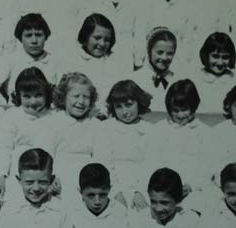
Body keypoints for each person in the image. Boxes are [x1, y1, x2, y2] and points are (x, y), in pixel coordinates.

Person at [0, 67, 55, 203]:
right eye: (27, 97)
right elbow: (3, 148)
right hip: (17, 172)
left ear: (46, 94)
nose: (33, 102)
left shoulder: (53, 116)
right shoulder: (12, 116)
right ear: (19, 96)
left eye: (38, 95)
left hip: (45, 174)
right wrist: (1, 177)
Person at [94, 80, 154, 213]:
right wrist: (115, 192)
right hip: (113, 185)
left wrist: (140, 192)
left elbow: (151, 163)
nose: (125, 112)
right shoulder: (106, 128)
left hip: (143, 185)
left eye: (129, 105)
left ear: (139, 102)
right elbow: (104, 163)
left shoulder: (150, 130)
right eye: (118, 107)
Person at [153, 79, 213, 207]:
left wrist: (192, 186)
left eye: (185, 109)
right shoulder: (159, 129)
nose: (180, 115)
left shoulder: (205, 132)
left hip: (194, 189)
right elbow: (153, 159)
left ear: (194, 107)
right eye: (175, 110)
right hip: (162, 187)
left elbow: (208, 165)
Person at [49, 73, 101, 207]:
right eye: (76, 96)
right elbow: (47, 152)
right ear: (63, 98)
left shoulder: (95, 125)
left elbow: (100, 156)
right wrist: (51, 176)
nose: (81, 101)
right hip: (60, 177)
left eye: (86, 97)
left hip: (88, 179)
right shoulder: (54, 122)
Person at [59, 13, 120, 111]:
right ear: (86, 36)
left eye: (107, 40)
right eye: (97, 38)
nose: (102, 43)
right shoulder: (71, 60)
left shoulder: (114, 63)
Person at [89, 0, 142, 70]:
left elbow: (139, 35)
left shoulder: (137, 2)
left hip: (126, 57)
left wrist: (138, 62)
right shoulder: (95, 1)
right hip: (101, 54)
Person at [138, 0, 184, 68]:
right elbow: (139, 34)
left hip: (176, 60)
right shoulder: (147, 4)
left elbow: (186, 37)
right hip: (151, 61)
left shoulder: (184, 5)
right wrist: (139, 61)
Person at [5, 13, 57, 98]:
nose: (34, 41)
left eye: (39, 35)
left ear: (46, 37)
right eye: (28, 35)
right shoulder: (11, 60)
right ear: (20, 38)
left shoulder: (54, 62)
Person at [130, 27, 178, 112]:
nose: (164, 58)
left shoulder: (176, 80)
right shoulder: (135, 79)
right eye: (159, 52)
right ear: (149, 51)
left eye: (170, 53)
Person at [194, 32, 236, 114]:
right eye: (215, 56)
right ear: (206, 55)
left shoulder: (234, 79)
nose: (220, 63)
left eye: (225, 57)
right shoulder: (196, 78)